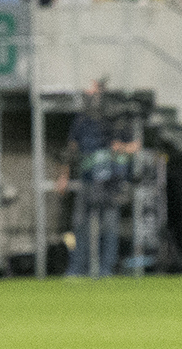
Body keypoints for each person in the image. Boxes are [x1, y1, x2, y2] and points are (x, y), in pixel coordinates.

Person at [59, 80, 137, 276]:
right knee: (80, 225)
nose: (88, 94)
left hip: (110, 181)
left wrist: (121, 148)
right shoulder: (82, 120)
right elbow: (71, 149)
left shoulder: (117, 119)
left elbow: (134, 146)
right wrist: (63, 175)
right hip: (87, 179)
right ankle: (77, 268)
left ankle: (106, 269)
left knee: (109, 226)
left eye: (92, 91)